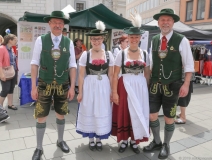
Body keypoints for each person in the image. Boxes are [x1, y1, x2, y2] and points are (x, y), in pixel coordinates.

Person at [143, 8, 194, 159]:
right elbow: (151, 63)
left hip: (173, 85)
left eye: (168, 20)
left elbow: (189, 65)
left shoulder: (181, 40)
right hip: (154, 84)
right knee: (152, 115)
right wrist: (147, 81)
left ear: (173, 22)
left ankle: (166, 144)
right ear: (158, 23)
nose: (165, 23)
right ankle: (157, 141)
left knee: (168, 117)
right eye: (162, 20)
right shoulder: (154, 39)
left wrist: (185, 85)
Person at [30, 11, 76, 160]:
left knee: (61, 113)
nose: (58, 25)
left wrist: (72, 87)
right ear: (49, 23)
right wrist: (33, 86)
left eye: (61, 23)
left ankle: (60, 140)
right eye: (55, 22)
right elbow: (34, 63)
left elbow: (73, 65)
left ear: (63, 25)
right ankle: (38, 147)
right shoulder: (40, 40)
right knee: (41, 115)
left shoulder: (68, 42)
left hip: (63, 83)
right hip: (44, 83)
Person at [111, 13, 150, 154]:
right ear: (128, 38)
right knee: (125, 112)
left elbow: (147, 74)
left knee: (138, 111)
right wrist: (114, 92)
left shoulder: (145, 54)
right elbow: (115, 74)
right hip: (125, 84)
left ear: (140, 38)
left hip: (140, 86)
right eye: (131, 37)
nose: (134, 39)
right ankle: (124, 140)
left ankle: (134, 140)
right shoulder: (121, 54)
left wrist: (147, 90)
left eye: (136, 37)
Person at [76, 20, 114, 152]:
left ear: (103, 39)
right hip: (89, 85)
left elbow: (111, 75)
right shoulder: (85, 56)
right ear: (90, 40)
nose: (96, 41)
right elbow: (81, 75)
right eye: (93, 39)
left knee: (101, 110)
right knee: (90, 109)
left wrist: (113, 92)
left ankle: (99, 138)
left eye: (98, 39)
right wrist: (80, 92)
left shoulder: (109, 55)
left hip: (104, 86)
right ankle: (91, 139)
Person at [0, 34, 18, 111]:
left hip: (13, 71)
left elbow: (13, 60)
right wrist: (1, 74)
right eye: (15, 40)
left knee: (11, 88)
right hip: (5, 72)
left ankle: (10, 104)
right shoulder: (2, 48)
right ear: (10, 40)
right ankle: (0, 107)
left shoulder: (11, 48)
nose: (16, 41)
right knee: (5, 90)